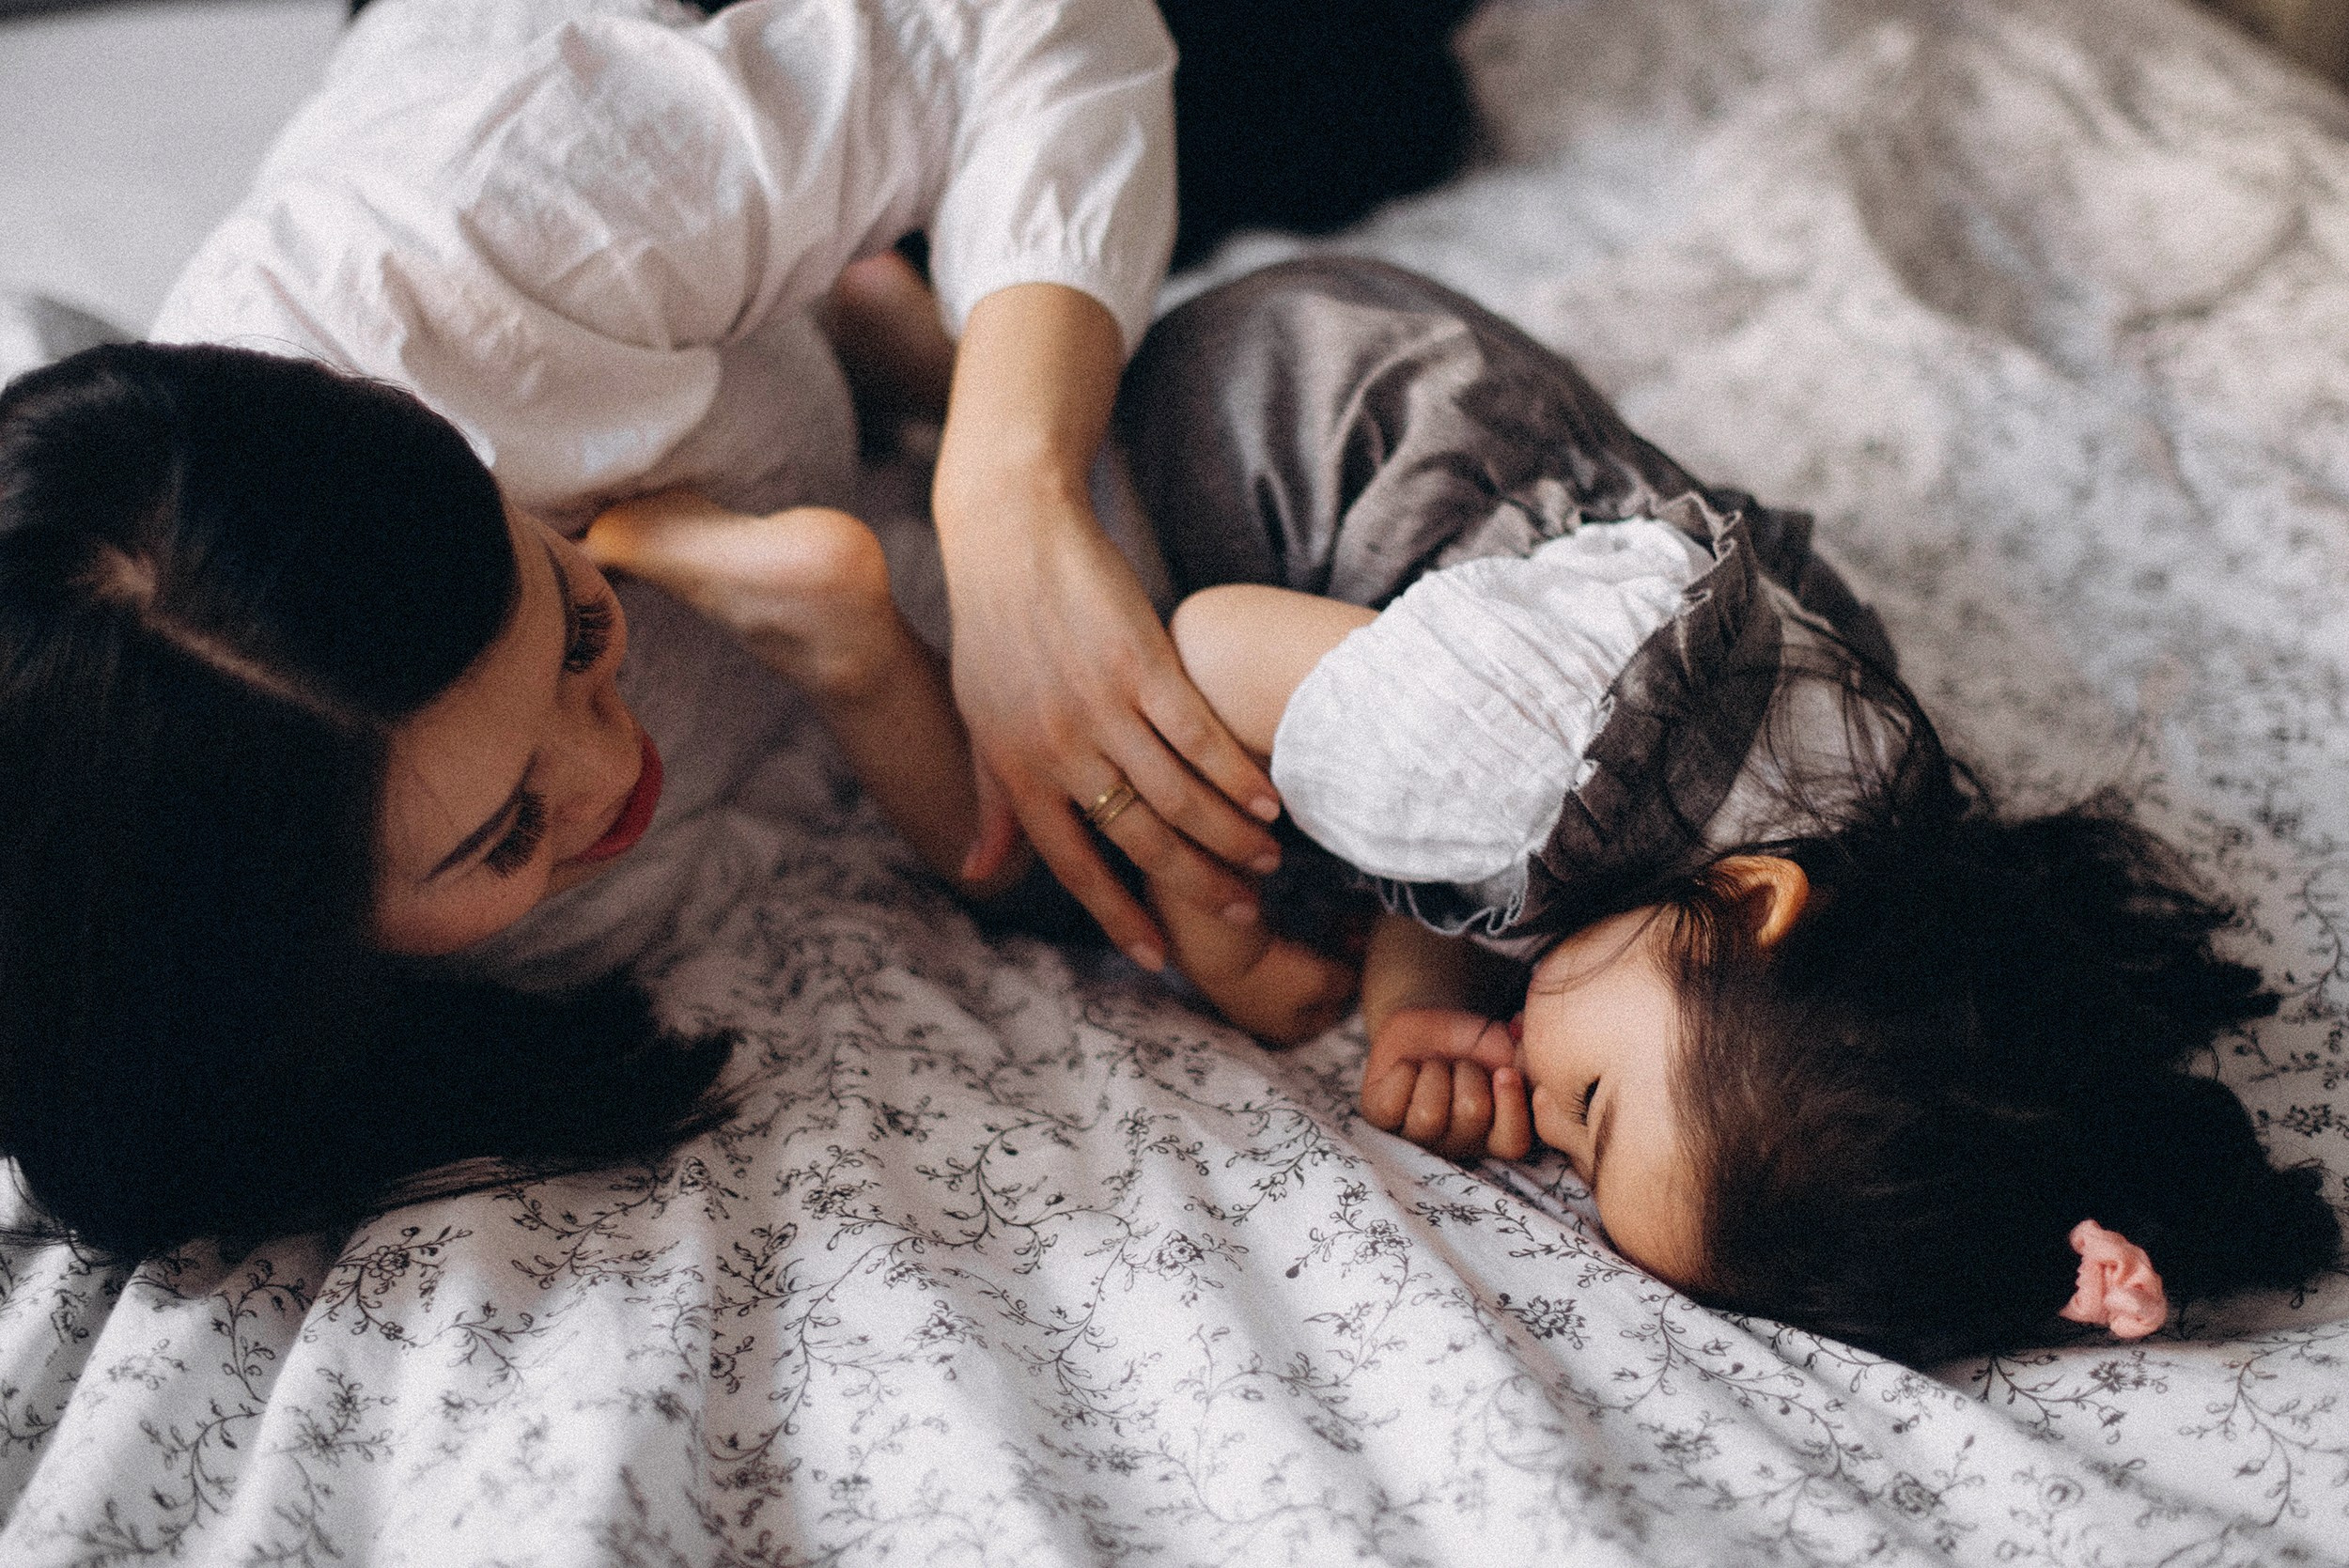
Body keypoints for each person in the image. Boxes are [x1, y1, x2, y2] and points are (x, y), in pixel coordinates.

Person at [153, 0, 1285, 982]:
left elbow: (1039, 27)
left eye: (580, 629)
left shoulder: (466, 246)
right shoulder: (461, 941)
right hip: (749, 316)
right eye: (507, 835)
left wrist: (1008, 498)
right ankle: (850, 317)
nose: (615, 773)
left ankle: (848, 302)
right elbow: (996, 846)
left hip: (613, 72)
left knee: (1326, 104)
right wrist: (862, 659)